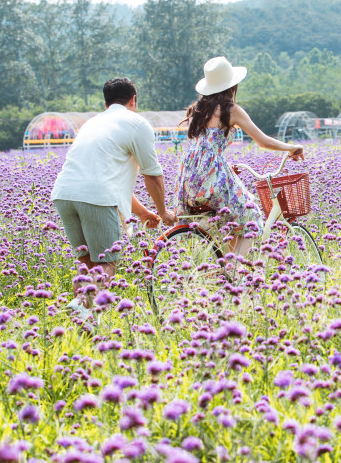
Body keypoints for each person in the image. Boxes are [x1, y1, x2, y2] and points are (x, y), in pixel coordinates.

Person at [51, 77, 175, 315]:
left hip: (64, 194)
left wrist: (141, 213)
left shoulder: (92, 123)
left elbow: (108, 177)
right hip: (96, 197)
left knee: (87, 263)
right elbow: (153, 175)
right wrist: (163, 212)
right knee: (106, 262)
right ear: (133, 100)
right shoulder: (137, 124)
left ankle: (80, 314)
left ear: (106, 103)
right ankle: (82, 309)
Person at [176, 56, 303, 255]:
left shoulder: (198, 110)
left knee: (232, 220)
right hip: (211, 176)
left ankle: (225, 266)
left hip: (190, 178)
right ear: (231, 85)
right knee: (251, 215)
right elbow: (262, 140)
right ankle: (235, 272)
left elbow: (204, 150)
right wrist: (290, 147)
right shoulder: (230, 110)